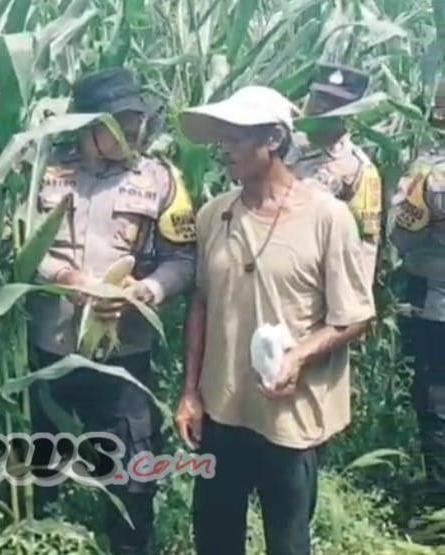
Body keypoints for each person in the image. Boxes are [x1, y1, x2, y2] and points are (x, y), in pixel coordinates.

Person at [173, 86, 375, 555]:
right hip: (222, 412)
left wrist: (298, 356)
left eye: (237, 137)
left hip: (290, 418)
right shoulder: (213, 215)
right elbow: (201, 303)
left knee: (287, 541)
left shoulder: (327, 218)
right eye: (221, 137)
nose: (223, 148)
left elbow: (355, 316)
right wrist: (189, 393)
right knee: (215, 539)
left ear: (276, 139)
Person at [28, 67, 196, 555]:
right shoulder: (43, 172)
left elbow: (183, 258)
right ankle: (47, 538)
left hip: (125, 357)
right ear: (87, 125)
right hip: (50, 349)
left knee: (132, 476)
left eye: (138, 119)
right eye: (121, 121)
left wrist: (149, 291)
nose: (135, 131)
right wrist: (66, 278)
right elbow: (13, 245)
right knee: (47, 467)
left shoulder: (161, 179)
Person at [390, 77, 445, 509]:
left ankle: (439, 506)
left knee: (437, 401)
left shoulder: (431, 176)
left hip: (436, 308)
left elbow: (402, 238)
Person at [287, 63, 383, 284]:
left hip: (313, 281)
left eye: (334, 104)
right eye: (318, 98)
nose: (321, 107)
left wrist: (356, 304)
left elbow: (366, 242)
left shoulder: (358, 170)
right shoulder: (280, 145)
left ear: (350, 112)